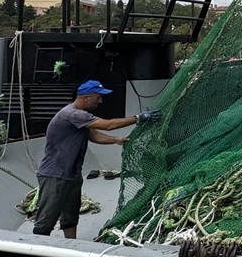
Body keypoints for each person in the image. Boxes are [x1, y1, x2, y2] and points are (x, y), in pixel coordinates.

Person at [33, 80, 160, 238]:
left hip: (72, 174)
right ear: (86, 97)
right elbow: (107, 125)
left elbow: (94, 135)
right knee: (46, 220)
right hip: (55, 175)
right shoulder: (74, 114)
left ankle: (72, 247)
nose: (100, 101)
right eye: (98, 97)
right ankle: (33, 250)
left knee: (70, 217)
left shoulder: (80, 118)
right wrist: (138, 118)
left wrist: (115, 140)